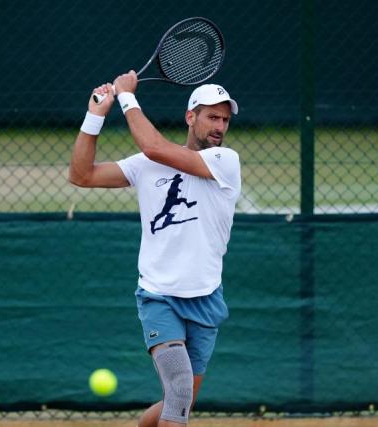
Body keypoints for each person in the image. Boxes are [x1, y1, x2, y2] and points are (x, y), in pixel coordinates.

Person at [69, 70, 241, 427]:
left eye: (224, 119)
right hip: (159, 297)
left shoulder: (226, 161)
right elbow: (81, 175)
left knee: (179, 402)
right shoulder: (146, 166)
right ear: (190, 117)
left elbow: (154, 147)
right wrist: (95, 117)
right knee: (178, 389)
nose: (219, 126)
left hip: (206, 299)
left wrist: (127, 97)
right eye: (212, 116)